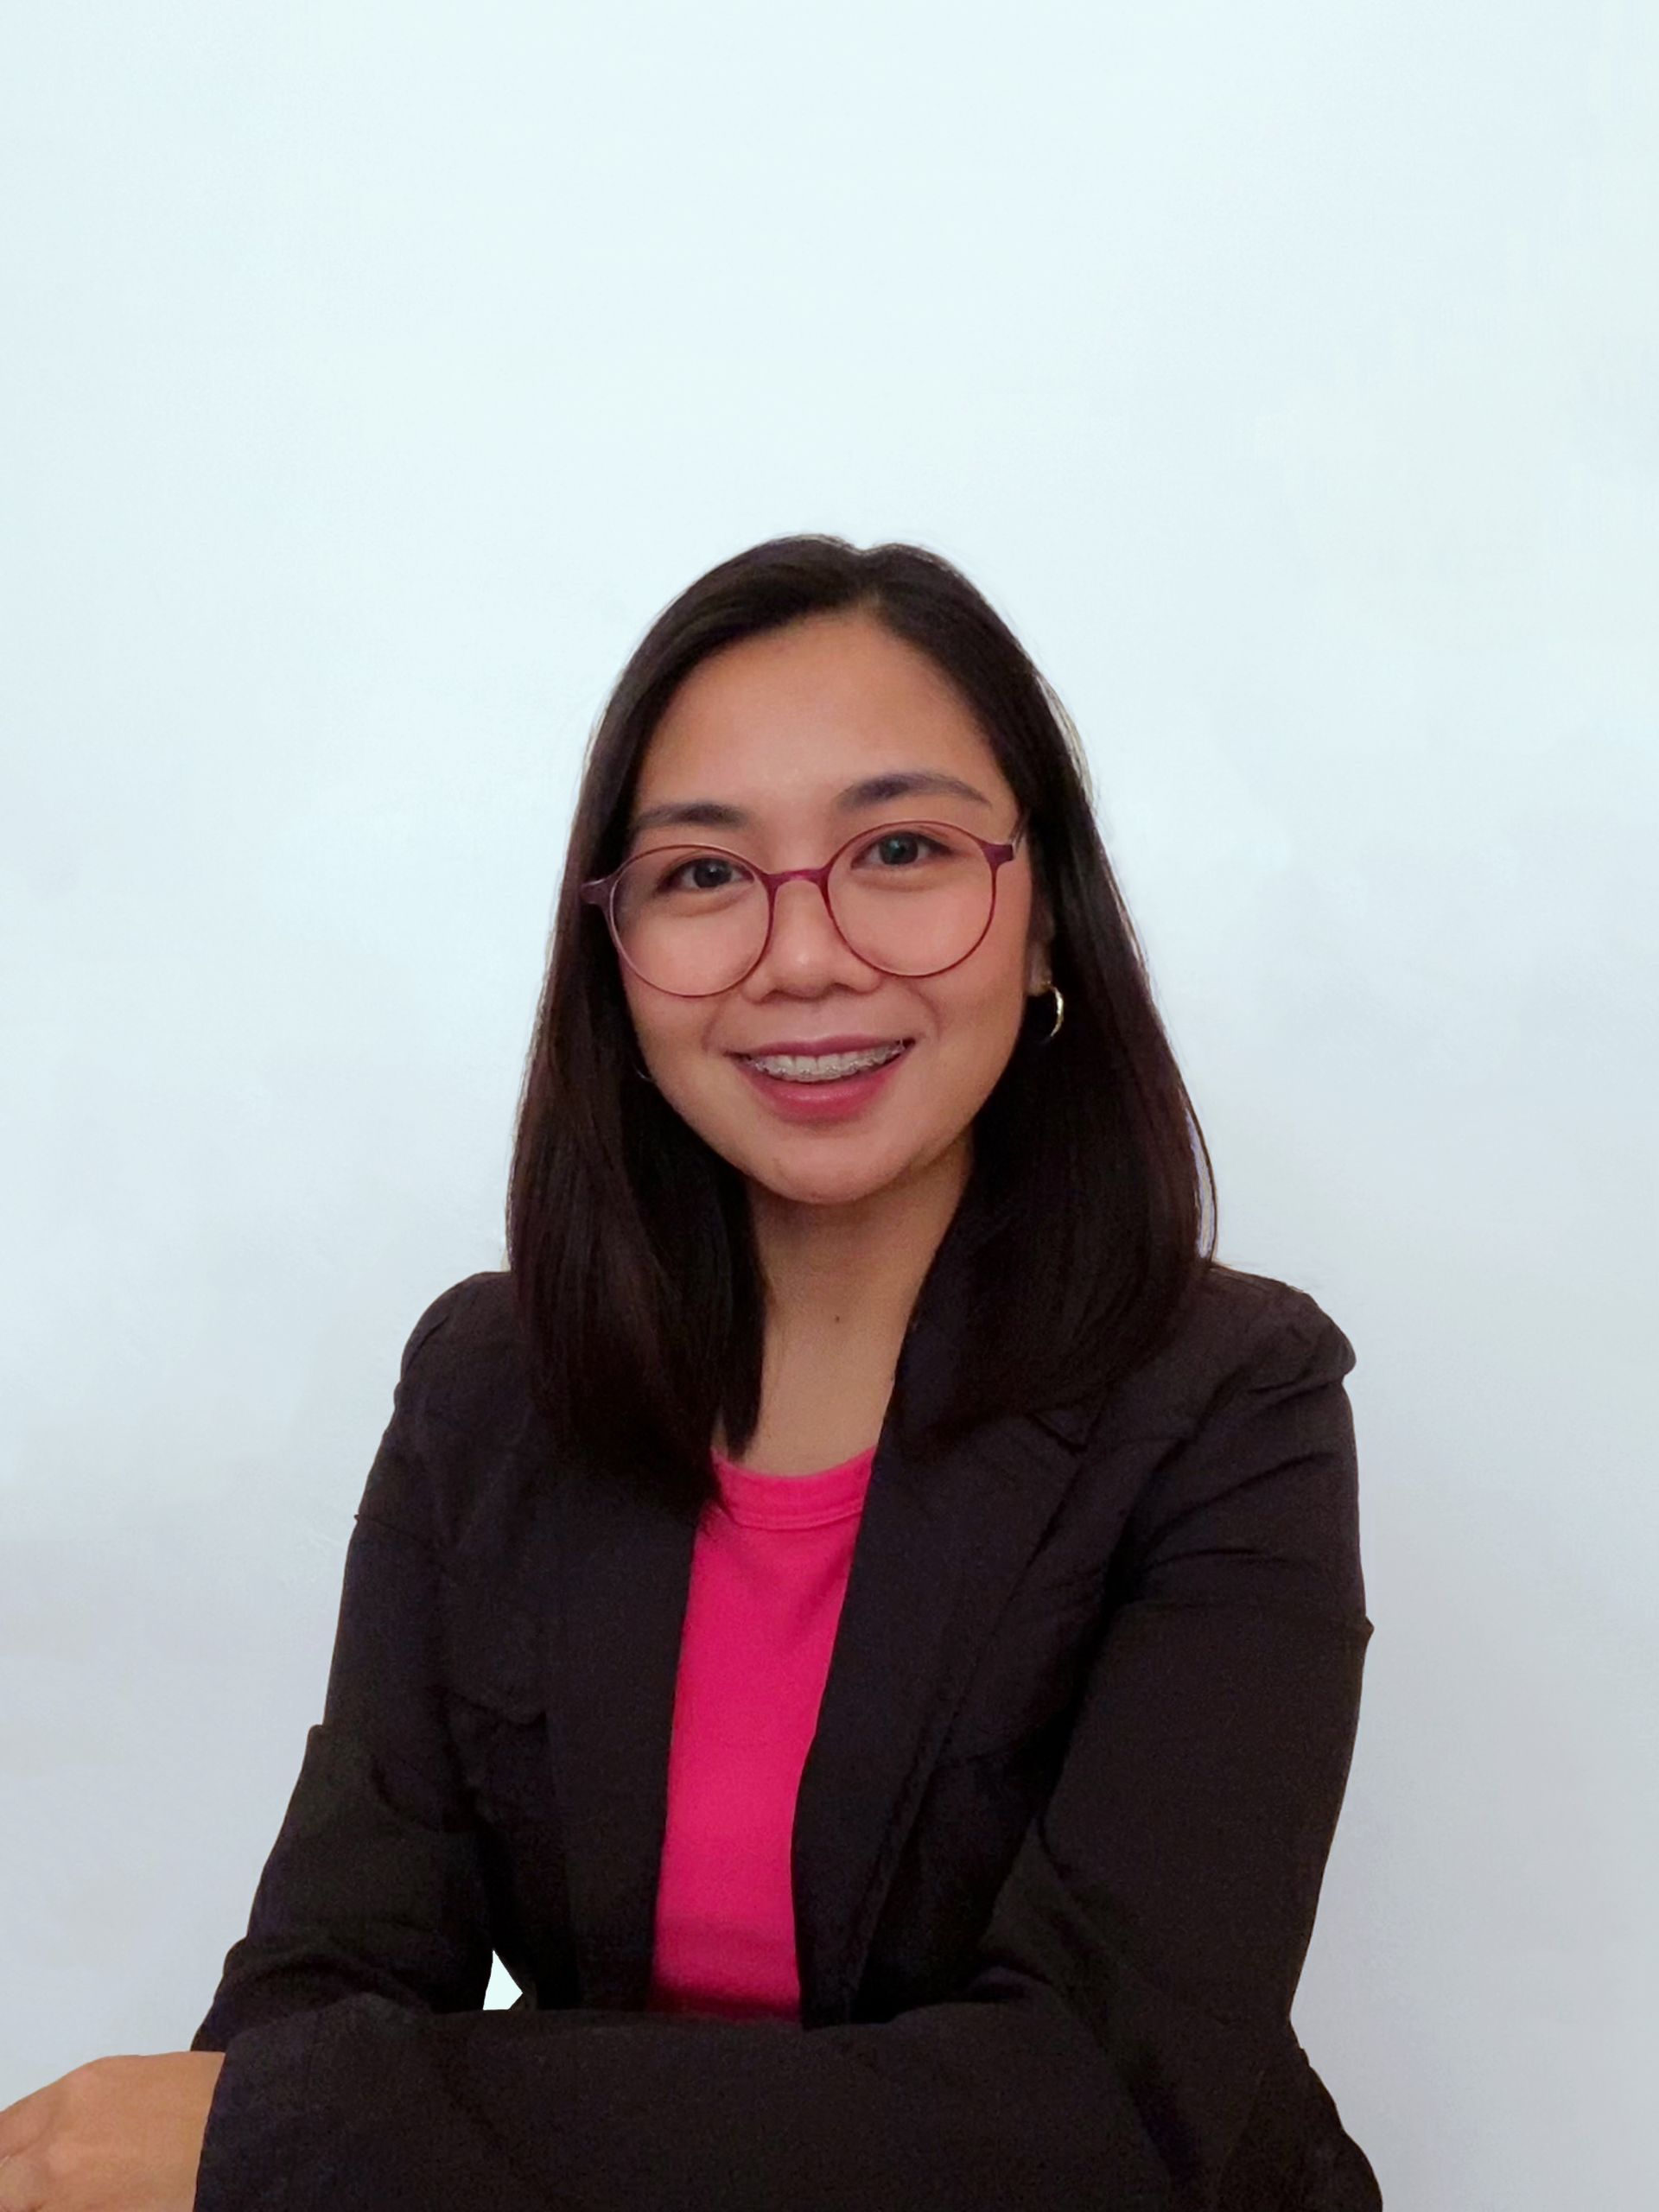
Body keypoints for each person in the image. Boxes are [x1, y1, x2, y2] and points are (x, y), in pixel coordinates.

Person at [0, 536, 1382, 2210]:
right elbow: (335, 1964)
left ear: (1043, 922)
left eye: (902, 847)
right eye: (706, 873)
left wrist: (318, 2133)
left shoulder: (1232, 1398)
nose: (804, 954)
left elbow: (1090, 2106)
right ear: (616, 953)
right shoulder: (486, 1383)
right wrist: (287, 2119)